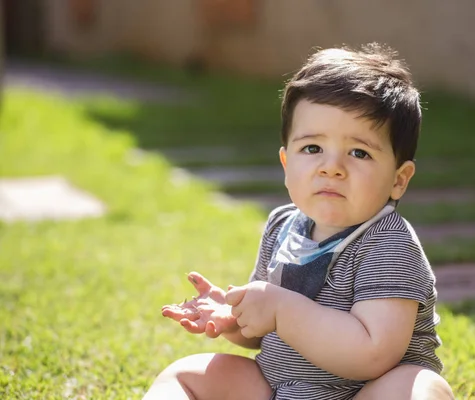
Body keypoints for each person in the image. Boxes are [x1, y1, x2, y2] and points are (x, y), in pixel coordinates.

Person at [144, 43, 454, 400]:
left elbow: (373, 353)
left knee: (420, 388)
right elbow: (261, 333)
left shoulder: (389, 245)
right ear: (286, 163)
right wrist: (236, 316)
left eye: (359, 152)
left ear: (399, 179)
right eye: (312, 148)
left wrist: (280, 308)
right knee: (185, 375)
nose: (331, 167)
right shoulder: (282, 225)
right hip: (277, 389)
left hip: (362, 392)